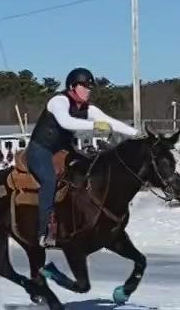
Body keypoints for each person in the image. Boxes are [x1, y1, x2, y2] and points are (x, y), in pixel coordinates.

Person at [24, 67, 138, 246]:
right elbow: (66, 122)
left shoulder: (88, 109)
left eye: (90, 87)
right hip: (40, 150)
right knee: (49, 181)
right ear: (71, 87)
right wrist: (95, 127)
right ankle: (43, 230)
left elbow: (109, 122)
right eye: (84, 87)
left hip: (64, 149)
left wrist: (136, 133)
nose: (88, 91)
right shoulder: (58, 101)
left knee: (91, 170)